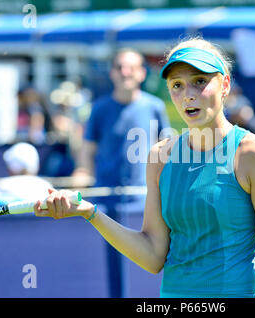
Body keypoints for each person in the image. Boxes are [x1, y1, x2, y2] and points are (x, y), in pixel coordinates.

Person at [34, 38, 255, 298]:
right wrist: (90, 213)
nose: (188, 94)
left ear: (225, 84)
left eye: (200, 81)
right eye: (177, 85)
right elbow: (153, 255)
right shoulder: (160, 157)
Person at [71, 48, 170, 297]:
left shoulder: (155, 107)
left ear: (141, 73)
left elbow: (167, 148)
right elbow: (88, 150)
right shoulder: (100, 109)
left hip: (144, 203)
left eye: (131, 67)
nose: (125, 72)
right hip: (105, 205)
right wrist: (82, 173)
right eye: (120, 67)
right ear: (113, 73)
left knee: (142, 272)